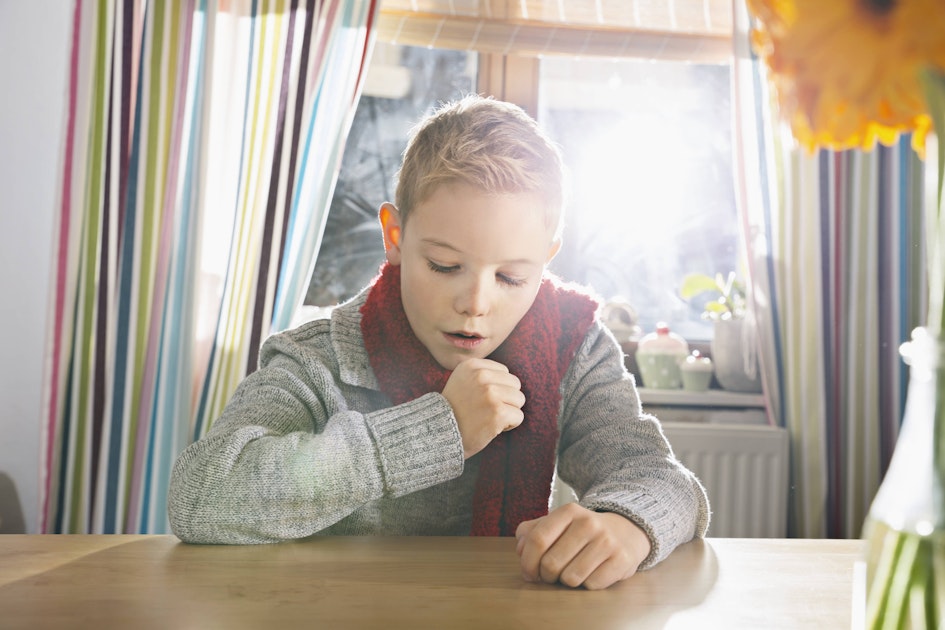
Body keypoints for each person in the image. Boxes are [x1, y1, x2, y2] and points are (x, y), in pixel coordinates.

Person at [168, 95, 710, 590]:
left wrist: (628, 523)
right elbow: (200, 498)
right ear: (395, 237)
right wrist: (435, 430)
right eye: (445, 265)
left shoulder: (576, 347)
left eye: (512, 277)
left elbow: (663, 480)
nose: (475, 303)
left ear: (547, 258)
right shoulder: (319, 357)